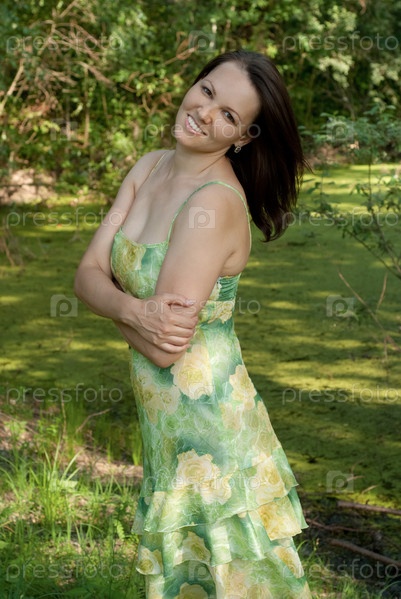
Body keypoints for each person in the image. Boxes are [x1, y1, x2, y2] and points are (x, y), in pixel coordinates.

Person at [74, 49, 312, 599]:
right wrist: (135, 311)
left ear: (244, 137)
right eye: (206, 91)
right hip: (168, 427)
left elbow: (164, 348)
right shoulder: (149, 167)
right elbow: (84, 276)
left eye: (228, 115)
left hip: (211, 435)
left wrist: (112, 302)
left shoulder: (214, 204)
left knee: (235, 583)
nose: (205, 113)